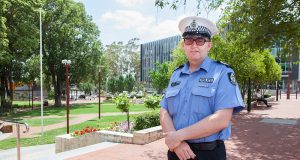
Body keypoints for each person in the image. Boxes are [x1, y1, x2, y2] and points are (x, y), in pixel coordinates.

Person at [159, 16, 245, 160]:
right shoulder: (176, 74)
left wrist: (178, 136)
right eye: (189, 40)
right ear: (183, 45)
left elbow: (221, 119)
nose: (194, 45)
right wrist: (176, 144)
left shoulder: (223, 72)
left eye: (200, 41)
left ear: (209, 45)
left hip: (209, 154)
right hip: (176, 152)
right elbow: (164, 110)